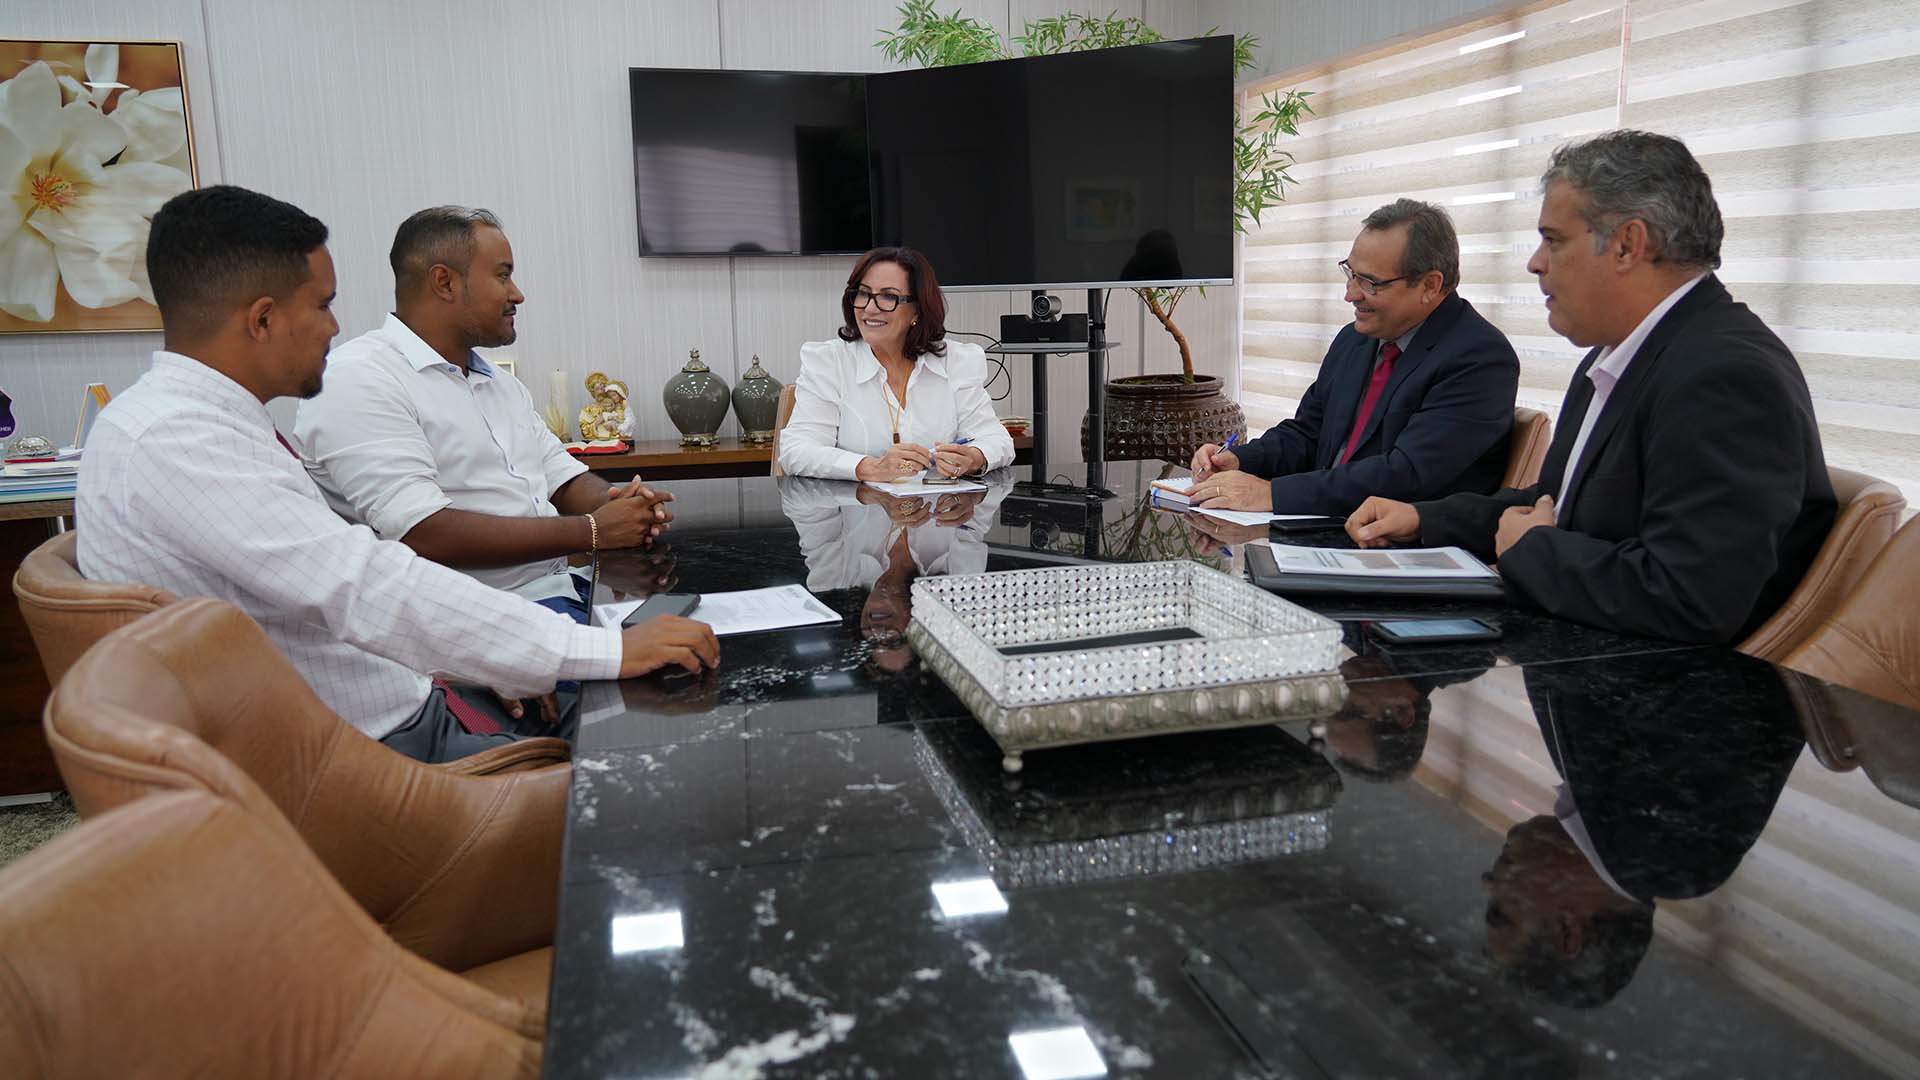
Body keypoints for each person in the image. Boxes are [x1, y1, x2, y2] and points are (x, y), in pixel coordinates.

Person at [77, 185, 718, 764]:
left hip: (399, 696)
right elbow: (366, 584)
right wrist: (593, 651)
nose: (334, 327)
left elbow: (333, 596)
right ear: (263, 319)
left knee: (668, 685)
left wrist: (469, 659)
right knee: (667, 739)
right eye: (322, 306)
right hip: (372, 749)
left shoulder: (191, 423)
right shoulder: (182, 440)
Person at [1347, 132, 1835, 644]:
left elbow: (1690, 597)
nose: (1535, 262)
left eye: (1553, 240)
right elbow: (1557, 505)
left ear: (1627, 245)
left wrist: (1532, 549)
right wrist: (1425, 518)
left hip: (1652, 701)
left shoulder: (1726, 373)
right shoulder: (1612, 358)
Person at [292, 206, 667, 621]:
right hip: (475, 622)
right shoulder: (359, 378)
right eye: (503, 275)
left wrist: (624, 504)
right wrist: (595, 530)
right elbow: (424, 531)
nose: (517, 294)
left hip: (563, 593)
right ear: (445, 282)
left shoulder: (499, 383)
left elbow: (561, 477)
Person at [1187, 199, 1519, 515]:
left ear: (1430, 285)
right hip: (1321, 530)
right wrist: (1241, 459)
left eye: (1371, 282)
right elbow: (1307, 434)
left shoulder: (1480, 359)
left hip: (1401, 554)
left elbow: (1405, 475)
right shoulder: (1355, 339)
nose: (1350, 294)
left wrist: (1270, 494)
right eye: (1351, 273)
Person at [777, 246, 1014, 482]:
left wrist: (973, 457)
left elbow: (997, 440)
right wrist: (870, 467)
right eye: (863, 293)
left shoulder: (956, 361)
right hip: (856, 512)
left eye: (888, 296)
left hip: (939, 514)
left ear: (918, 310)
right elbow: (796, 451)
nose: (870, 308)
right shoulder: (829, 362)